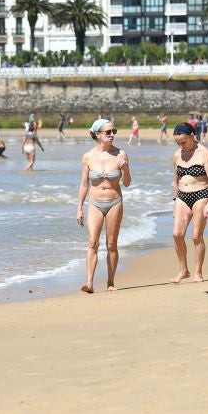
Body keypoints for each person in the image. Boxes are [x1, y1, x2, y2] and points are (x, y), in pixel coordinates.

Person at [75, 118, 131, 293]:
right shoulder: (88, 157)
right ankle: (89, 283)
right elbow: (84, 184)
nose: (112, 135)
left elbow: (127, 183)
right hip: (95, 203)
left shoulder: (121, 154)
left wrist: (125, 169)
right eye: (108, 132)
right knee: (92, 242)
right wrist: (79, 208)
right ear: (97, 134)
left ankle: (110, 282)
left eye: (114, 131)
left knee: (111, 244)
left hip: (115, 202)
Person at [170, 122, 208, 284]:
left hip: (201, 195)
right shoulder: (177, 155)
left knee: (196, 236)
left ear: (192, 136)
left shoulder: (204, 153)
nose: (181, 146)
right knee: (177, 234)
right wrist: (175, 202)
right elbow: (176, 181)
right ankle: (183, 270)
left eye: (183, 142)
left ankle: (198, 273)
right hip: (182, 197)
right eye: (178, 143)